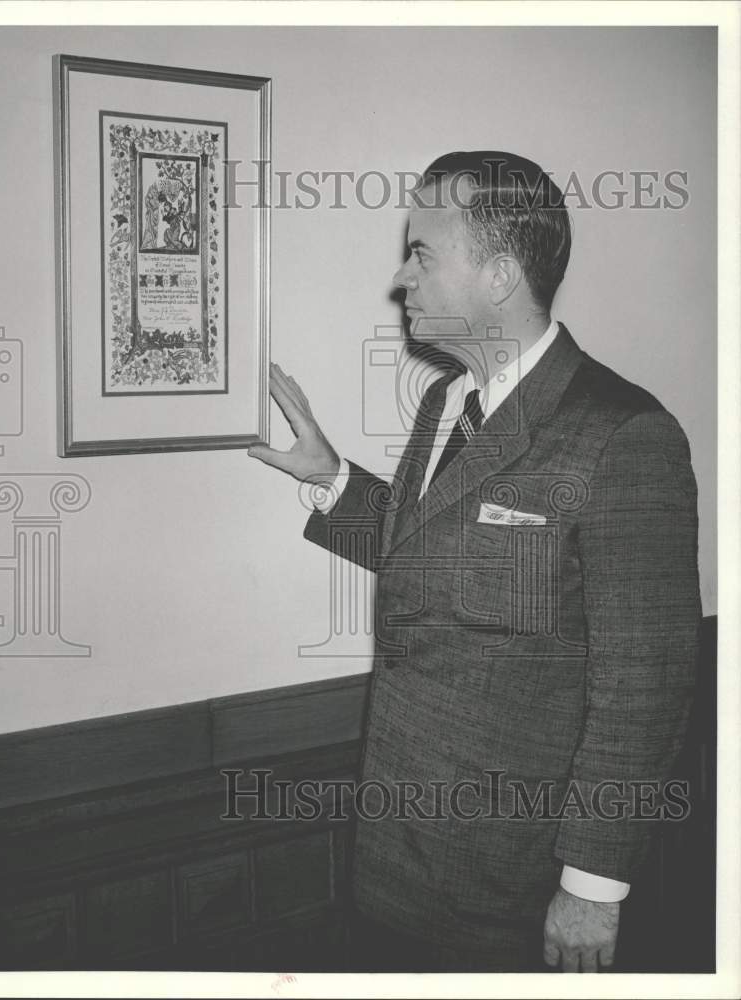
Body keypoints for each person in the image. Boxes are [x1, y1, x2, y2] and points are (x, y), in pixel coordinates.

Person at [248, 151, 701, 972]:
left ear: (497, 275)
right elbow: (441, 560)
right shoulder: (446, 401)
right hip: (395, 856)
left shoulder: (623, 436)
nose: (400, 276)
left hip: (515, 885)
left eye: (421, 252)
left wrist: (593, 885)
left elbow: (649, 680)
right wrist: (335, 482)